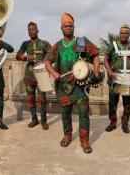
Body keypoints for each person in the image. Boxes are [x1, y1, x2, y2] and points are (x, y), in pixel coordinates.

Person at [45, 13, 100, 154]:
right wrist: (53, 73)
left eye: (70, 26)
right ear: (61, 28)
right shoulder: (57, 46)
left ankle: (84, 140)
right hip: (63, 86)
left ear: (74, 27)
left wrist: (97, 73)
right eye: (65, 26)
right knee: (65, 113)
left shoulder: (81, 42)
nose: (68, 28)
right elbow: (46, 62)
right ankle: (67, 135)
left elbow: (95, 55)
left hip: (80, 86)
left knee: (83, 113)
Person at [104, 25, 130, 133]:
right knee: (112, 102)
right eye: (122, 33)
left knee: (127, 103)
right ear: (119, 34)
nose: (124, 35)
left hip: (128, 78)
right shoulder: (113, 46)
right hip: (115, 77)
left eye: (126, 33)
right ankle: (112, 123)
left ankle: (125, 123)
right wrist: (110, 71)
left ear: (129, 35)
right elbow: (106, 59)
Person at [16, 22, 51, 130]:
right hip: (29, 75)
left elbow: (52, 53)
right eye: (29, 30)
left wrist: (45, 61)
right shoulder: (25, 44)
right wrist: (26, 57)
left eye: (33, 29)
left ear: (37, 30)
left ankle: (43, 121)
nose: (31, 31)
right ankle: (34, 119)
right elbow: (18, 55)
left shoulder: (44, 43)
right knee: (30, 98)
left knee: (42, 98)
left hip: (41, 75)